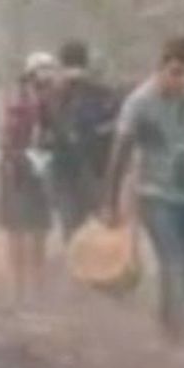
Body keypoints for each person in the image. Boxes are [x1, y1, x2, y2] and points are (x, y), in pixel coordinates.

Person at [105, 37, 184, 343]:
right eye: (176, 72)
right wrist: (109, 202)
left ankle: (170, 317)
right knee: (173, 261)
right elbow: (120, 152)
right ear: (161, 69)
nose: (183, 80)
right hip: (156, 194)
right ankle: (177, 332)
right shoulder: (140, 102)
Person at [0, 53, 58, 305]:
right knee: (18, 231)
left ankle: (36, 290)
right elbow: (8, 134)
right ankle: (19, 291)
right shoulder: (18, 99)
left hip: (35, 168)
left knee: (37, 230)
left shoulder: (49, 101)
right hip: (17, 169)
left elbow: (52, 136)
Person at [45, 40, 119, 242]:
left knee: (73, 231)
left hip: (68, 172)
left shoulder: (54, 94)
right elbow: (113, 129)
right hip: (95, 171)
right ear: (86, 62)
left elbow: (47, 132)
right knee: (97, 231)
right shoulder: (103, 92)